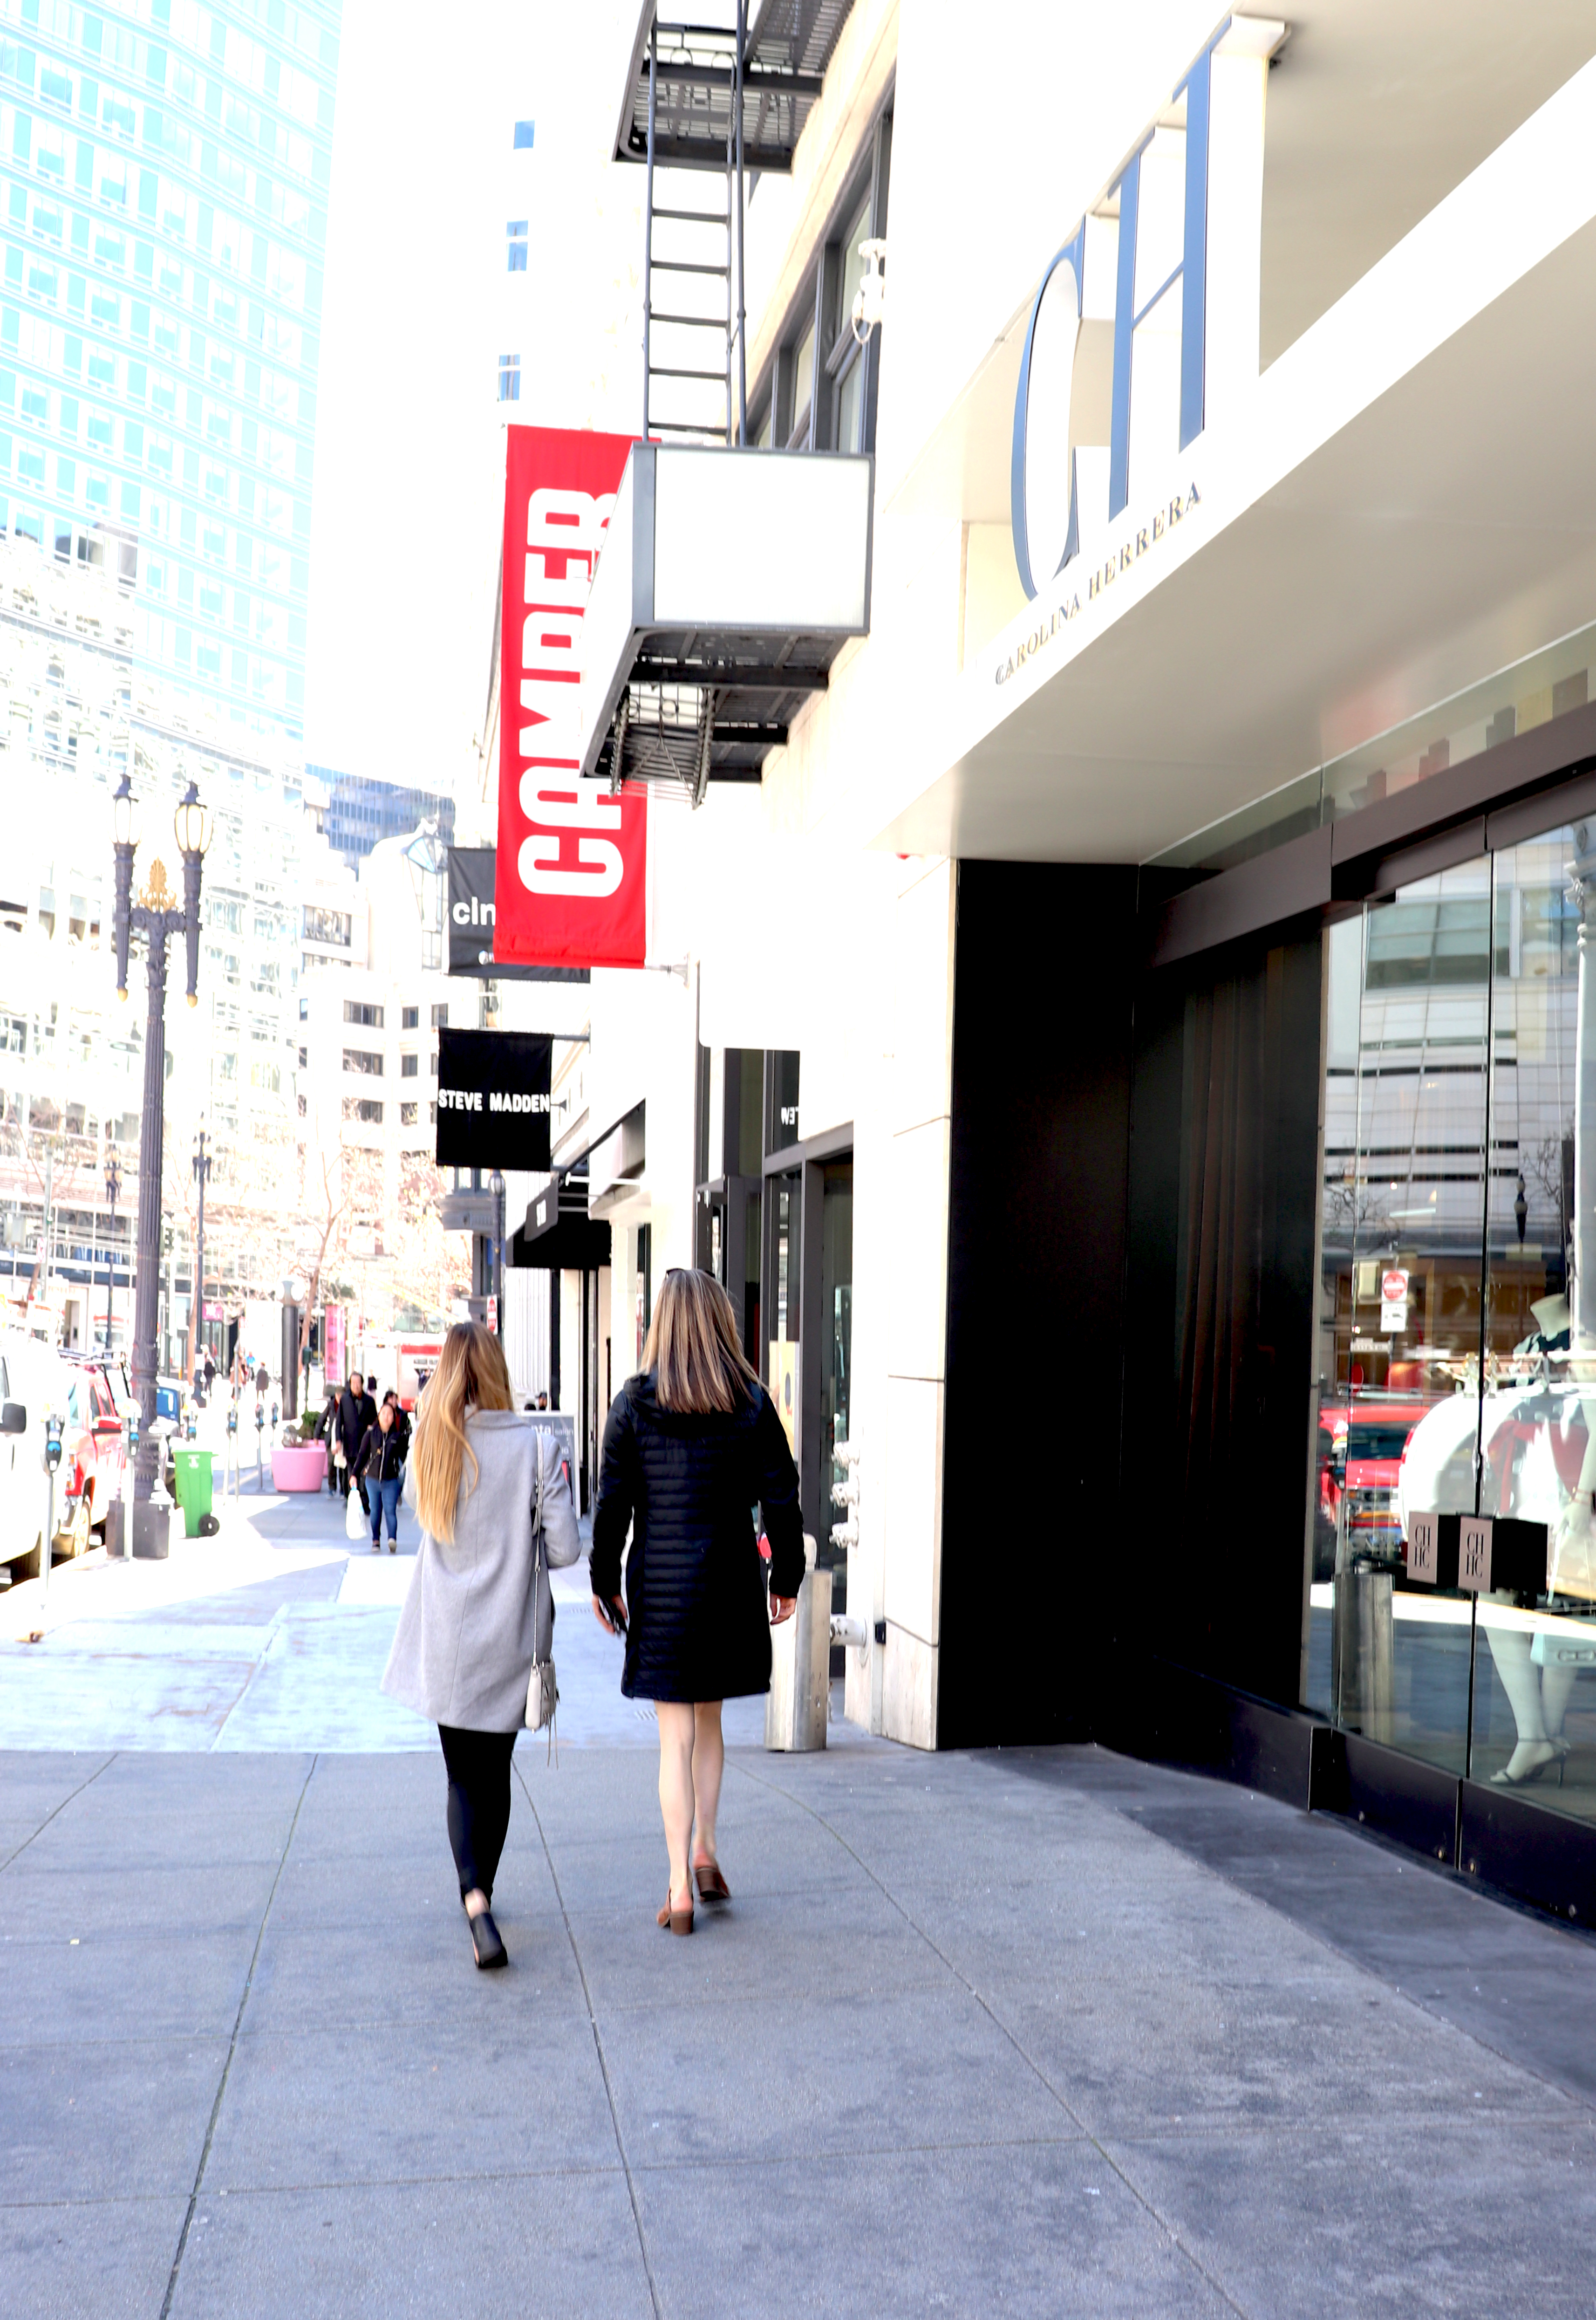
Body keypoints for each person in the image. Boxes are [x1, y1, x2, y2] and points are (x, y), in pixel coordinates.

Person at [590, 1267, 803, 1937]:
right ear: (719, 1322)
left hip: (663, 1589)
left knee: (673, 1736)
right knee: (709, 1724)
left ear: (662, 1325)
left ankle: (680, 1886)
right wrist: (785, 1577)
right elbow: (782, 1495)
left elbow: (613, 1507)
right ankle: (706, 1847)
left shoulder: (631, 1406)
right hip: (729, 1584)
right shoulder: (751, 1402)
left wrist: (604, 1580)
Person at [381, 1322, 580, 1970]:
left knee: (460, 1772)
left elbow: (422, 1514)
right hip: (508, 1637)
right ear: (497, 1370)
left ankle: (474, 1898)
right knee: (493, 1774)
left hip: (444, 1634)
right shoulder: (537, 1446)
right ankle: (481, 1893)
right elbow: (566, 1549)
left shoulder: (432, 1441)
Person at [355, 1396, 406, 1553]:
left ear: (394, 1419)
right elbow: (362, 1456)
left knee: (390, 1510)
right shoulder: (371, 1435)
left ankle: (392, 1539)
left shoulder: (397, 1438)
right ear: (379, 1415)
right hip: (372, 1480)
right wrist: (354, 1475)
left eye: (390, 1414)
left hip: (391, 1481)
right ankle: (376, 1540)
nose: (386, 1416)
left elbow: (405, 1459)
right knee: (375, 1511)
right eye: (384, 1413)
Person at [321, 1369, 375, 1501]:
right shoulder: (345, 1400)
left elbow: (375, 1420)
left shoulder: (369, 1401)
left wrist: (372, 1428)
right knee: (351, 1473)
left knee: (363, 1473)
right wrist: (338, 1440)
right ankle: (351, 1497)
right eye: (353, 1383)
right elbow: (339, 1422)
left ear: (362, 1384)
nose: (356, 1385)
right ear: (350, 1385)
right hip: (350, 1443)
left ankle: (364, 1498)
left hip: (365, 1443)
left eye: (358, 1383)